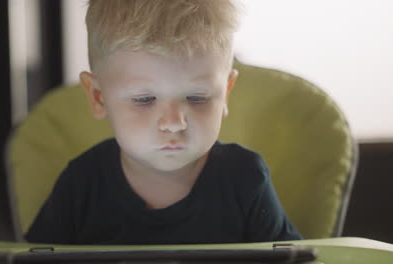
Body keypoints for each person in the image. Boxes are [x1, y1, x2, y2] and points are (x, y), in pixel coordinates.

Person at [25, 0, 302, 244]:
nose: (174, 123)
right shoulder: (81, 184)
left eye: (196, 97)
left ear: (225, 93)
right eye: (145, 99)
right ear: (99, 97)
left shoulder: (245, 178)